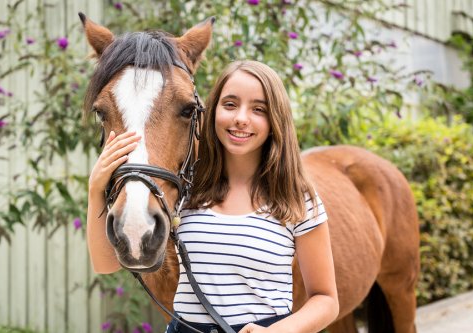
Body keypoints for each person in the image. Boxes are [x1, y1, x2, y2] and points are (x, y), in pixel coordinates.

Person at [87, 60, 339, 333]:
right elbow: (106, 264)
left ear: (275, 119)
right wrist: (95, 191)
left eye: (258, 109)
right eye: (230, 104)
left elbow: (325, 299)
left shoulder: (295, 196)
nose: (241, 118)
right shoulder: (187, 189)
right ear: (211, 111)